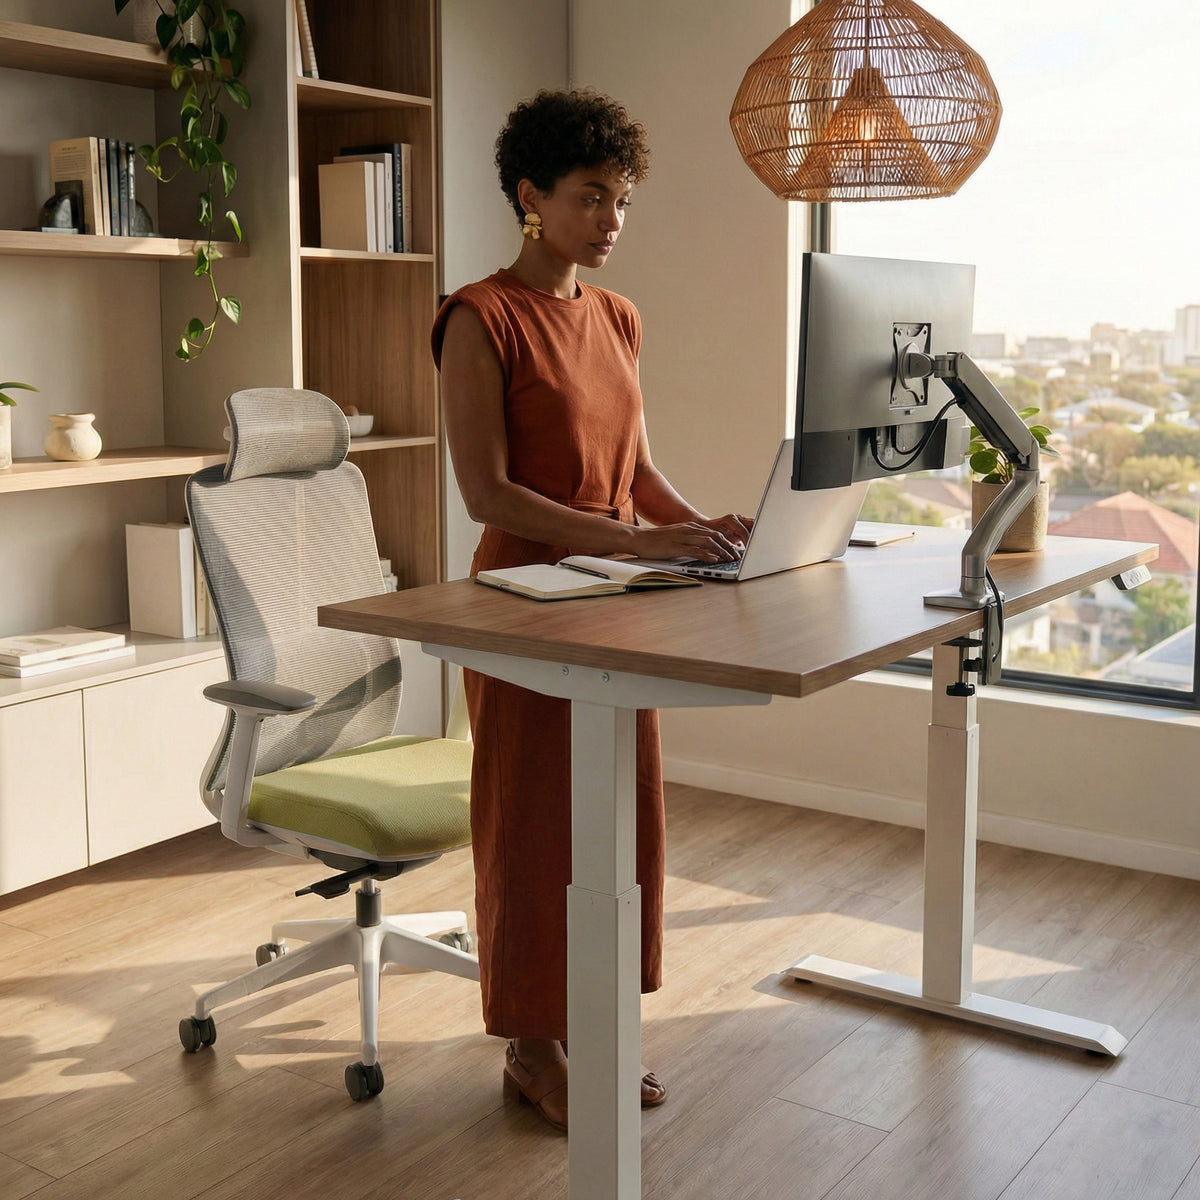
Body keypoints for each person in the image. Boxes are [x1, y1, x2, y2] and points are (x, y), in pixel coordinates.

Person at [431, 88, 751, 1133]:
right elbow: (487, 494)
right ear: (531, 197)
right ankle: (532, 1047)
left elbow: (639, 472)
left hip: (620, 599)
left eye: (623, 200)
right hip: (520, 606)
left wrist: (705, 531)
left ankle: (598, 1022)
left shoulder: (618, 317)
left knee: (621, 823)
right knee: (532, 832)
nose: (612, 219)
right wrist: (634, 539)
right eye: (590, 197)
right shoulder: (480, 318)